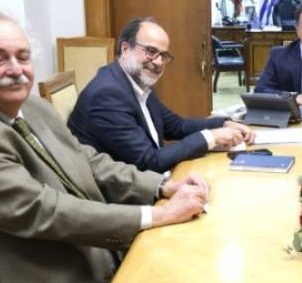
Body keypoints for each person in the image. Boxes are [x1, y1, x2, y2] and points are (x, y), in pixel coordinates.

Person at [0, 12, 211, 283]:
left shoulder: (32, 106)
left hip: (82, 255)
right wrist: (159, 215)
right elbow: (44, 210)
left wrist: (162, 186)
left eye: (23, 57)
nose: (16, 69)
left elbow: (87, 160)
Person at [68, 17, 254, 173]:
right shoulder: (107, 94)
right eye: (150, 51)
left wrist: (223, 123)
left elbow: (176, 126)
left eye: (163, 55)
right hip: (121, 196)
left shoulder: (137, 81)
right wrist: (211, 137)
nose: (158, 62)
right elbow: (149, 161)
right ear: (125, 49)